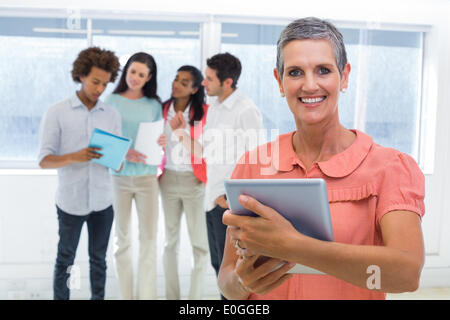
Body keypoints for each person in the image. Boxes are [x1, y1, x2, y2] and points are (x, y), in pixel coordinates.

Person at [218, 17, 426, 300]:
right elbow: (227, 282)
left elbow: (406, 274)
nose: (310, 85)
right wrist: (243, 283)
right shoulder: (253, 164)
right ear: (279, 82)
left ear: (345, 76)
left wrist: (294, 246)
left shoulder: (390, 168)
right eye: (295, 73)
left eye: (323, 70)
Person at [38, 47, 121, 300]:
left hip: (103, 202)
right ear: (82, 75)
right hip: (70, 202)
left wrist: (117, 159)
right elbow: (44, 160)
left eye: (105, 84)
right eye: (95, 81)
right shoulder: (57, 111)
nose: (99, 89)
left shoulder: (112, 115)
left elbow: (116, 163)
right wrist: (75, 156)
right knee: (65, 259)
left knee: (99, 261)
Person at [201, 53, 264, 298]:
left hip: (229, 204)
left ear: (227, 82)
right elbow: (212, 153)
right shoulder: (215, 108)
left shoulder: (246, 110)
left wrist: (234, 199)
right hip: (212, 199)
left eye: (209, 78)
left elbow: (256, 158)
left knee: (233, 273)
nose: (203, 83)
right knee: (218, 268)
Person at [104, 52, 164, 300]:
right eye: (132, 72)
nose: (135, 78)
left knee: (149, 240)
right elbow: (103, 140)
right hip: (119, 179)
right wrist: (124, 152)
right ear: (125, 71)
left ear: (149, 77)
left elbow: (159, 141)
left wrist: (162, 140)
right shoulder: (112, 101)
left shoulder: (154, 105)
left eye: (141, 74)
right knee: (122, 241)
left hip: (148, 179)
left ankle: (146, 296)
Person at [159, 65, 209, 300]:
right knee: (170, 243)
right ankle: (172, 298)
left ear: (195, 88)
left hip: (194, 180)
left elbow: (202, 152)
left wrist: (182, 133)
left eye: (184, 82)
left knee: (199, 245)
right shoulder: (162, 109)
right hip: (167, 179)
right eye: (176, 79)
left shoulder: (204, 113)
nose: (176, 84)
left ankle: (195, 300)